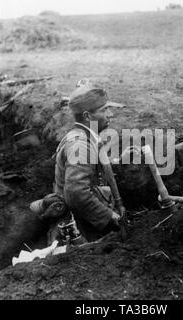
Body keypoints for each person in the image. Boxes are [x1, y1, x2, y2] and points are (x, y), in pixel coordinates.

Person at [32, 84, 123, 244]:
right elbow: (76, 193)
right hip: (79, 228)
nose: (110, 114)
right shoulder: (80, 145)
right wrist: (109, 215)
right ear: (87, 116)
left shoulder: (86, 138)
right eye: (104, 110)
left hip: (86, 218)